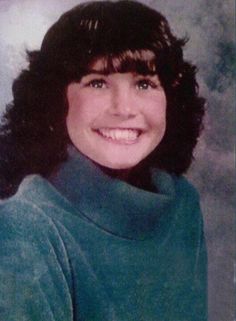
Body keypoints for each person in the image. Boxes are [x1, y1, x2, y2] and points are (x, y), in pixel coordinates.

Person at [0, 0, 207, 320]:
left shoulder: (183, 203)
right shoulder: (26, 225)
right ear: (56, 98)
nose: (124, 108)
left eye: (144, 83)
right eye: (97, 82)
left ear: (171, 97)